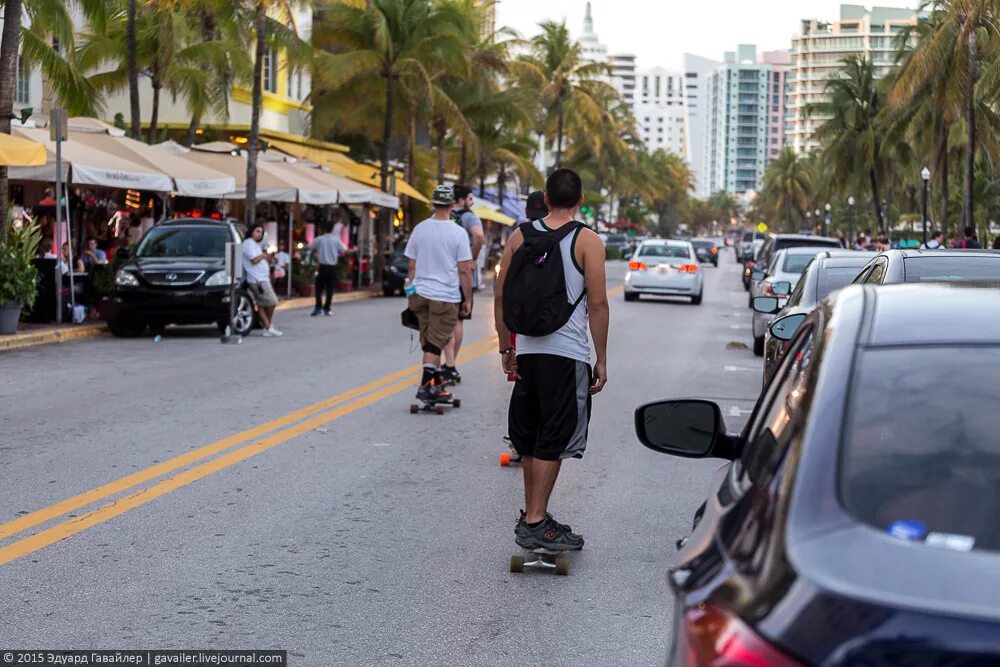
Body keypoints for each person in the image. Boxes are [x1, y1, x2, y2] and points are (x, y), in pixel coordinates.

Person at [494, 168, 609, 552]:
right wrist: (602, 359)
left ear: (544, 197)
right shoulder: (588, 241)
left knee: (528, 435)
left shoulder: (519, 235)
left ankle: (533, 514)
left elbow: (500, 296)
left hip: (527, 349)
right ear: (580, 200)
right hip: (567, 353)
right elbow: (597, 304)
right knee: (554, 437)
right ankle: (536, 520)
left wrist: (506, 347)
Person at [404, 184, 473, 403]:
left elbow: (411, 268)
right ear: (453, 205)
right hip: (445, 296)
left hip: (420, 294)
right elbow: (464, 270)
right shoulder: (458, 233)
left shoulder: (419, 229)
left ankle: (435, 383)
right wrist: (467, 299)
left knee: (429, 340)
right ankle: (427, 384)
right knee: (436, 342)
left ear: (433, 204)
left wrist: (412, 292)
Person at [439, 185, 485, 385]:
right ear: (461, 199)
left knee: (443, 320)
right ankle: (451, 363)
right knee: (458, 320)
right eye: (470, 198)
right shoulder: (468, 217)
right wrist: (473, 257)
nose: (471, 202)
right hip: (462, 275)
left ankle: (446, 362)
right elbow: (479, 236)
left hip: (441, 275)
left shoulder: (443, 216)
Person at [242, 221, 282, 337]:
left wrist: (268, 258)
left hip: (262, 278)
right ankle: (267, 326)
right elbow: (253, 260)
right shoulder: (248, 244)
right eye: (257, 231)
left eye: (261, 232)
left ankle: (267, 325)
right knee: (272, 302)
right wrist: (263, 256)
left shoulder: (256, 245)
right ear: (251, 232)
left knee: (262, 304)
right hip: (257, 280)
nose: (259, 234)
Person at [307, 222, 348, 317]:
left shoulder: (319, 239)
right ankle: (327, 308)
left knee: (319, 288)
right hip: (332, 267)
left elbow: (310, 246)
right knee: (330, 288)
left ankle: (318, 307)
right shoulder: (335, 240)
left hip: (322, 266)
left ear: (323, 229)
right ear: (332, 229)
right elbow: (344, 249)